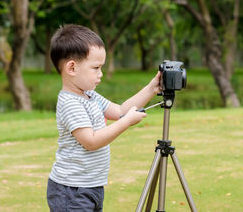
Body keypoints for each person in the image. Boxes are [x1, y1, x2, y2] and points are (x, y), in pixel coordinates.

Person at [46, 24, 161, 212]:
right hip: (72, 190)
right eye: (96, 68)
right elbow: (90, 141)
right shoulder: (70, 102)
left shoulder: (90, 95)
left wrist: (152, 88)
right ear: (72, 68)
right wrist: (126, 122)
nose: (100, 75)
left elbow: (120, 110)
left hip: (91, 185)